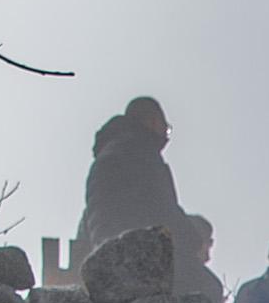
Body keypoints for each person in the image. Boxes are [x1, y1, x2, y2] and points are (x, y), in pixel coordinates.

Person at [75, 96, 193, 257]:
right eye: (166, 129)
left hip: (104, 250)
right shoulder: (140, 151)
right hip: (137, 249)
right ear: (152, 121)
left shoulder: (108, 155)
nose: (166, 136)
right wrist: (192, 239)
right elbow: (162, 206)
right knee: (204, 282)